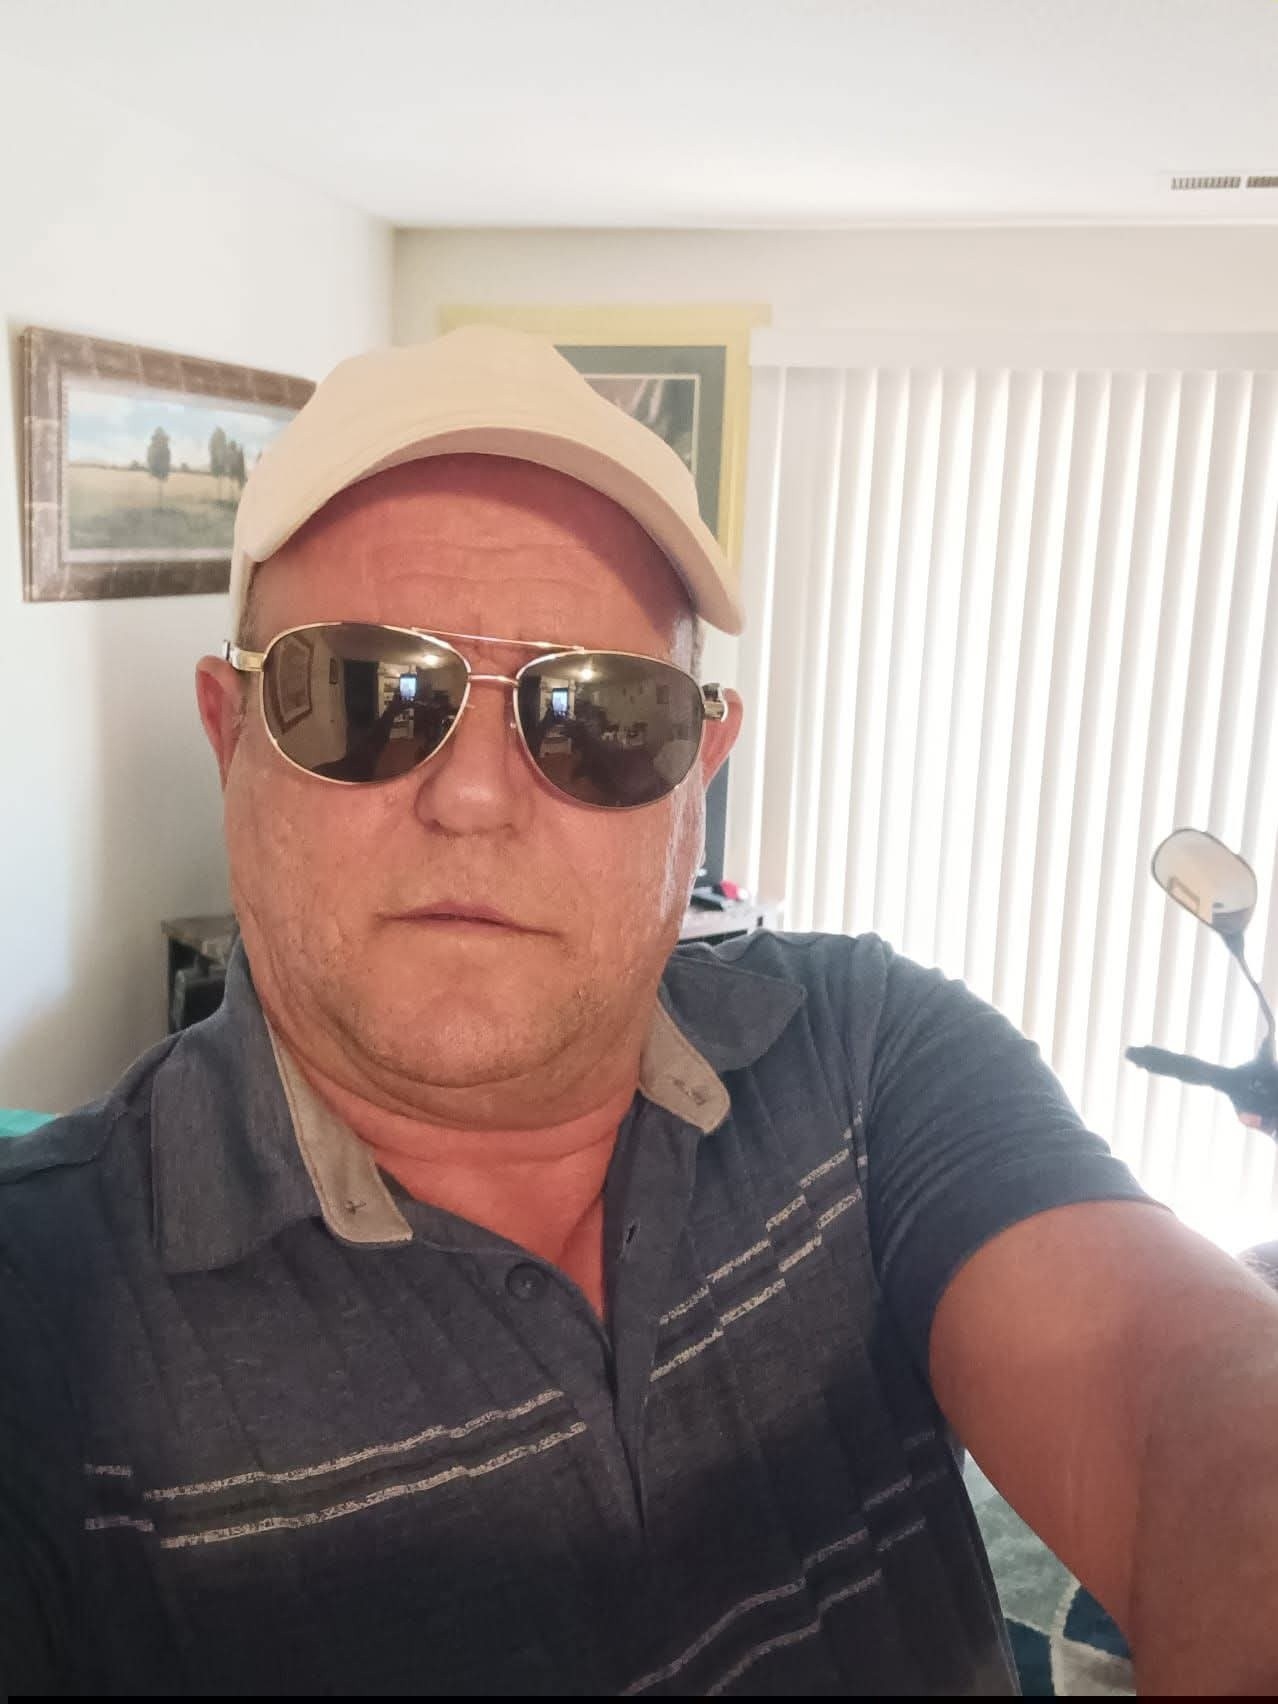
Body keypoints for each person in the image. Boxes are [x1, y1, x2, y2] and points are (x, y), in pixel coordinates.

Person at [3, 326, 1278, 1698]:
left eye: (597, 715)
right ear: (230, 733)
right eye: (369, 695)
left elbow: (1181, 1403)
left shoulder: (869, 1054)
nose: (471, 797)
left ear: (698, 771)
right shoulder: (46, 1309)